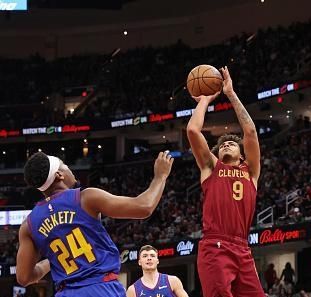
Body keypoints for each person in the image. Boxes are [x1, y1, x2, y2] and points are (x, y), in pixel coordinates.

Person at [16, 151, 173, 297]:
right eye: (65, 165)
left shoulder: (28, 224)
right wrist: (160, 177)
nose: (70, 169)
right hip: (101, 288)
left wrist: (51, 261)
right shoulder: (85, 197)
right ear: (59, 175)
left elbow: (24, 278)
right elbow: (144, 207)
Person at [187, 66, 264, 297]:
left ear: (242, 155)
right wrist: (204, 99)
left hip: (242, 247)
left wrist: (230, 93)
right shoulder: (211, 168)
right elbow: (192, 129)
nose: (226, 145)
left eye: (231, 144)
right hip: (215, 246)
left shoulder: (251, 172)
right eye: (221, 146)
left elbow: (249, 132)